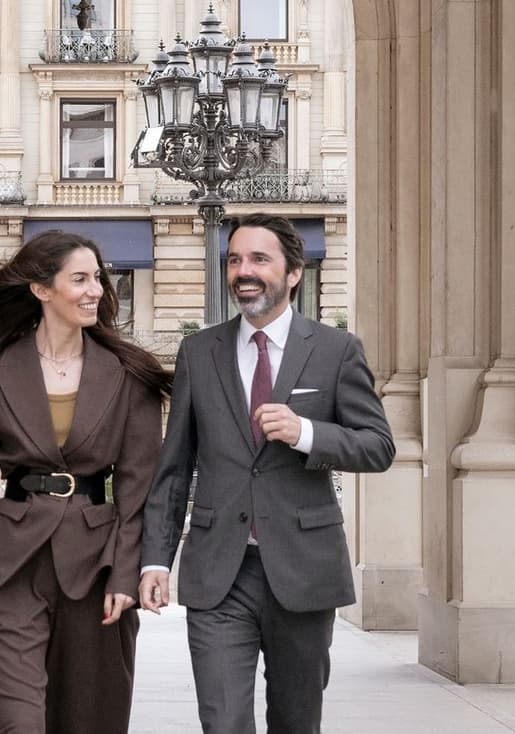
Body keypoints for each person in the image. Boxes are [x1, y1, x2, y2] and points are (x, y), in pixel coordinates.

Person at [138, 213, 395, 734]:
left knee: (296, 722)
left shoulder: (336, 350)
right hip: (219, 573)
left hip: (303, 572)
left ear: (294, 272)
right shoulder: (198, 352)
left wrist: (306, 433)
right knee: (223, 721)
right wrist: (155, 560)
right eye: (234, 260)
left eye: (259, 259)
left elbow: (378, 446)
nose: (243, 271)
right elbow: (175, 466)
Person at [0, 230, 171, 733]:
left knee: (87, 719)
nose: (96, 291)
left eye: (98, 279)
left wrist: (126, 575)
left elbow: (138, 492)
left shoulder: (129, 374)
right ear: (42, 290)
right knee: (19, 722)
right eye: (80, 279)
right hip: (10, 568)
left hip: (95, 570)